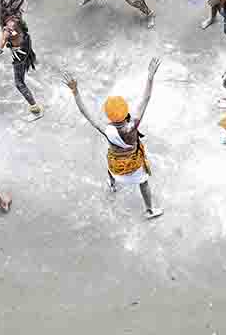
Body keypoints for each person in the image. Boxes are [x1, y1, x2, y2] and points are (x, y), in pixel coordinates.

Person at [65, 58, 164, 219]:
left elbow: (85, 112)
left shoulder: (106, 129)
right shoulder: (133, 125)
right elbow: (146, 98)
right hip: (134, 166)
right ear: (126, 112)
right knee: (143, 183)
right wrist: (150, 77)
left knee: (110, 159)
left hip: (116, 167)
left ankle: (112, 185)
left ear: (109, 115)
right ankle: (149, 210)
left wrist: (75, 92)